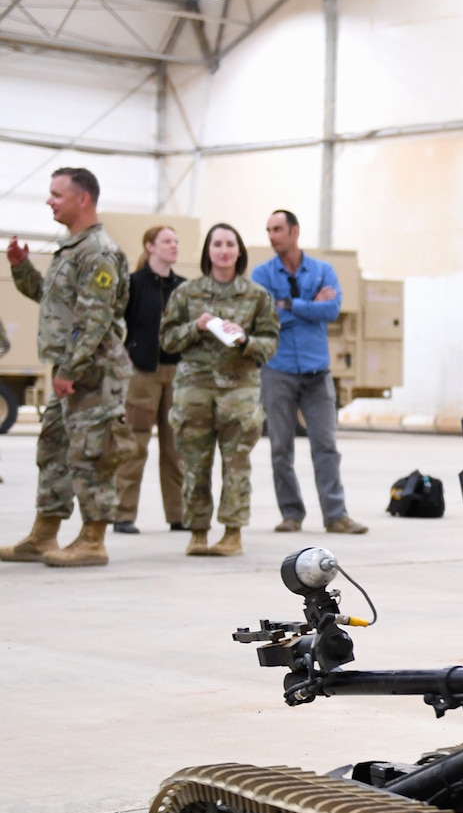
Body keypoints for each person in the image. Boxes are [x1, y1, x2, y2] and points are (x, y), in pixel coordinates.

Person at [0, 166, 135, 567]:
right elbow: (51, 301)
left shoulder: (98, 251)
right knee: (54, 450)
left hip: (93, 374)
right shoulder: (72, 248)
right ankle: (44, 535)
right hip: (72, 369)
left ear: (83, 199)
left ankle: (93, 540)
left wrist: (69, 371)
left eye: (57, 194)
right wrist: (22, 267)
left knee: (93, 455)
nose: (49, 200)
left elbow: (92, 321)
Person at [160, 224, 280, 557]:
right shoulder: (187, 293)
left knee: (236, 464)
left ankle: (232, 533)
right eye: (217, 244)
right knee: (194, 464)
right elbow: (167, 339)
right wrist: (195, 327)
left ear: (239, 251)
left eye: (230, 244)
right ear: (208, 251)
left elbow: (270, 344)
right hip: (194, 392)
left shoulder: (257, 296)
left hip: (238, 392)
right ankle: (197, 531)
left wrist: (246, 340)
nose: (224, 250)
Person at [251, 209, 365, 534]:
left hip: (317, 372)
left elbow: (331, 310)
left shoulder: (322, 270)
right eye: (268, 230)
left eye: (277, 229)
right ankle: (291, 514)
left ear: (294, 231)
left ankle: (336, 515)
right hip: (278, 370)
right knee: (280, 448)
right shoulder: (261, 275)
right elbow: (265, 319)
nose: (272, 236)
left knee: (326, 445)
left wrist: (289, 305)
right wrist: (307, 306)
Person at [113, 225, 188, 534]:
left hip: (177, 374)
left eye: (176, 241)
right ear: (151, 246)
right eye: (167, 241)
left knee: (176, 448)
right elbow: (114, 321)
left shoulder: (184, 287)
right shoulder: (133, 283)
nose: (174, 246)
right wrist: (123, 355)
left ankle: (178, 515)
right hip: (142, 374)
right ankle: (123, 514)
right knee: (134, 444)